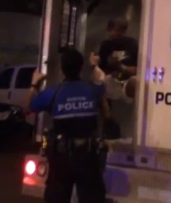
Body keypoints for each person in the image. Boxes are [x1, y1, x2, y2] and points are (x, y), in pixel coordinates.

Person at [26, 48, 110, 203]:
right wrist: (94, 66)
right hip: (88, 158)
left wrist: (34, 83)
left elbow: (28, 107)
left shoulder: (53, 93)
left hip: (61, 160)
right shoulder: (92, 89)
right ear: (80, 67)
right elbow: (102, 82)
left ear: (62, 69)